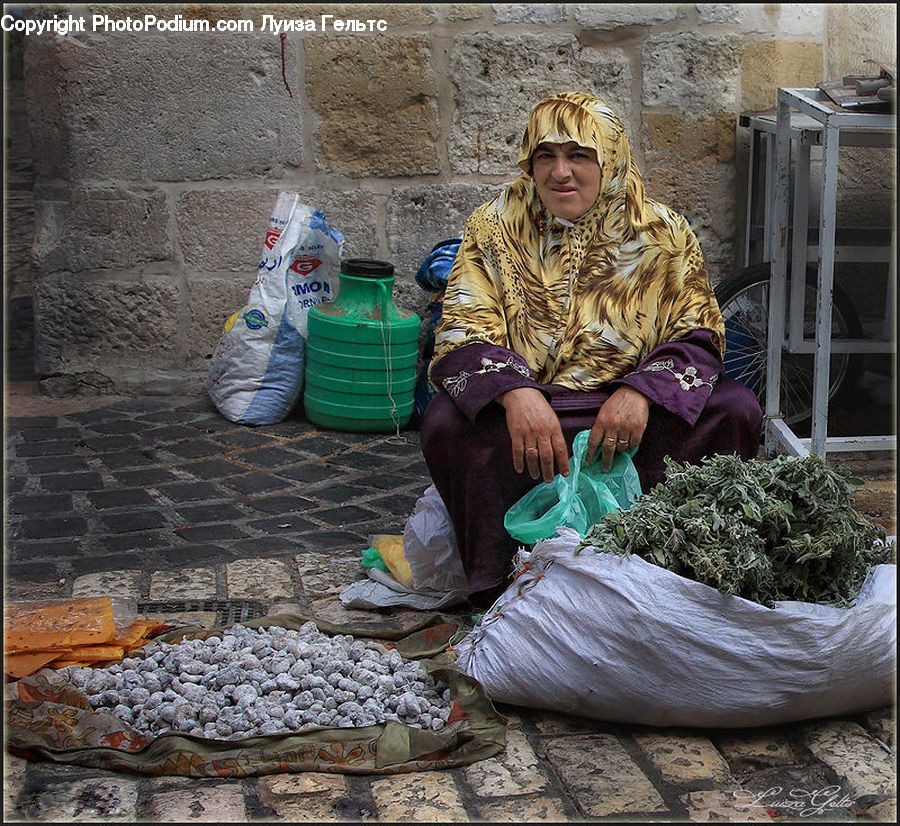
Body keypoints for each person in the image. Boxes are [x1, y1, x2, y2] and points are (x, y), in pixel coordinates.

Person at [419, 92, 762, 607]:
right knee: (447, 423)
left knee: (735, 409)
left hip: (626, 406)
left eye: (579, 155)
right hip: (536, 404)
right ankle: (502, 583)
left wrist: (642, 392)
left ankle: (685, 567)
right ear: (529, 162)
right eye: (545, 156)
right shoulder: (495, 227)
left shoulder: (661, 232)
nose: (561, 173)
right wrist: (515, 393)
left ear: (610, 159)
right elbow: (464, 325)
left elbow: (700, 331)